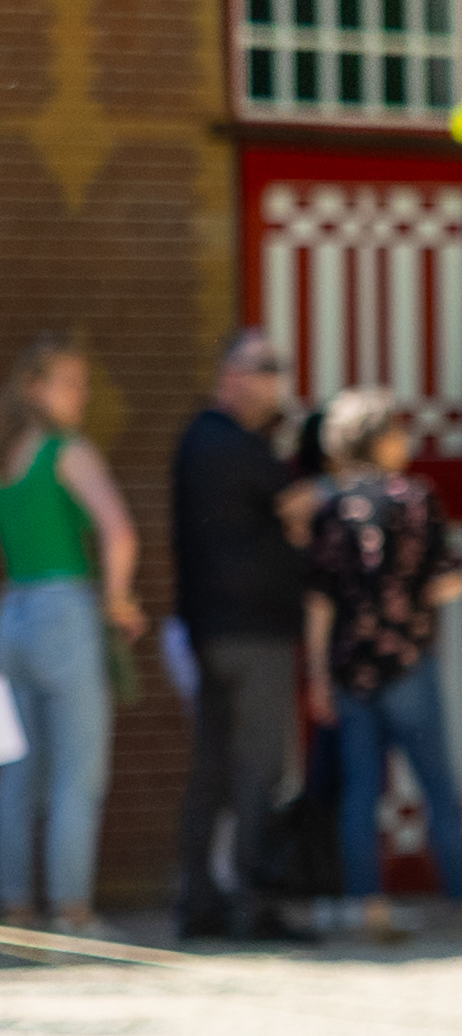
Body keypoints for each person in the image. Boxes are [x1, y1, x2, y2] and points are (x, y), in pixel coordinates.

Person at [297, 388, 462, 942]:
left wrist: (317, 674)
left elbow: (320, 600)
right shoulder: (415, 498)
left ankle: (371, 907)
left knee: (361, 791)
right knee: (437, 784)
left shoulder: (332, 508)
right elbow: (446, 578)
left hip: (350, 669)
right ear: (383, 438)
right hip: (409, 661)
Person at [166, 331, 316, 941]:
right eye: (266, 369)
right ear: (228, 375)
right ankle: (253, 903)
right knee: (259, 768)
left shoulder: (196, 440)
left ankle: (198, 900)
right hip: (254, 635)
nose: (276, 382)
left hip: (210, 632)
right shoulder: (235, 442)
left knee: (213, 770)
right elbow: (300, 508)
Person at [0, 337, 146, 932]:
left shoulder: (8, 456)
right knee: (77, 773)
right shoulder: (69, 451)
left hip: (12, 614)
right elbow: (120, 531)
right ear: (35, 386)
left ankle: (14, 907)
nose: (80, 396)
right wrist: (117, 600)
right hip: (65, 609)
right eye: (69, 383)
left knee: (15, 773)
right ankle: (73, 912)